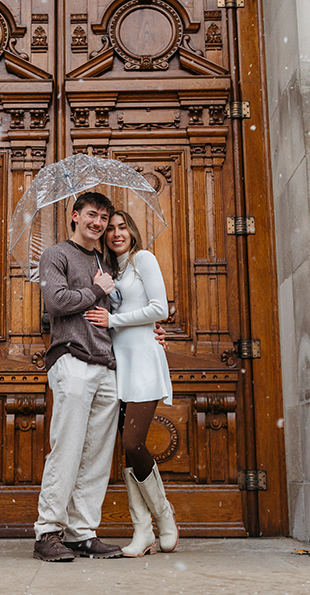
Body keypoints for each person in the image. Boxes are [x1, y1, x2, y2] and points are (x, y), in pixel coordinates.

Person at [33, 191, 124, 562]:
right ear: (74, 216)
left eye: (104, 218)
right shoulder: (56, 254)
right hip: (72, 359)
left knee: (97, 455)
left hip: (106, 363)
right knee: (67, 447)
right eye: (91, 215)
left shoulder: (107, 261)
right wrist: (95, 290)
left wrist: (150, 329)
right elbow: (56, 302)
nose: (98, 223)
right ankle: (47, 532)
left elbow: (116, 310)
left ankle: (81, 533)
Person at [84, 210, 179, 557]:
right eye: (110, 229)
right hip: (118, 364)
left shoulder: (143, 260)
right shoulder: (109, 271)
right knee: (126, 448)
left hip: (144, 362)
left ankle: (164, 519)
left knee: (133, 441)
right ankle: (143, 531)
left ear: (132, 230)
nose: (116, 233)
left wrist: (115, 319)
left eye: (122, 227)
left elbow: (159, 310)